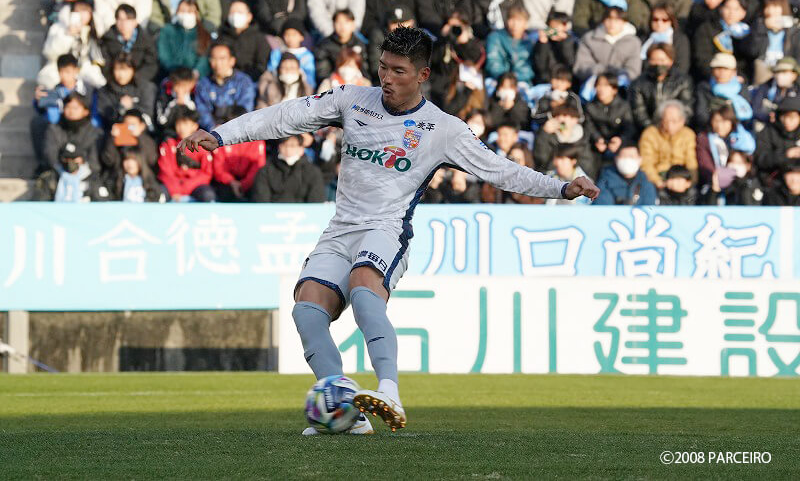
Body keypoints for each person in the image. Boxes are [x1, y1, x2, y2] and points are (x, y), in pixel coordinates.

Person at [178, 26, 599, 435]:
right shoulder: (351, 100)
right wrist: (221, 135)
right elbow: (285, 116)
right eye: (383, 67)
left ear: (422, 74)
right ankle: (343, 407)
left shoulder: (442, 129)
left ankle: (389, 392)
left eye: (399, 71)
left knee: (364, 289)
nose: (387, 78)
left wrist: (561, 188)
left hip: (386, 229)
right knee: (306, 309)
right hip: (341, 228)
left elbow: (500, 170)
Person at [38, 0, 106, 90]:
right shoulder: (58, 28)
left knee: (99, 82)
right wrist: (68, 35)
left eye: (85, 11)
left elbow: (96, 57)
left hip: (83, 67)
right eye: (78, 11)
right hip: (60, 66)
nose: (82, 15)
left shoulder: (93, 31)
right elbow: (50, 53)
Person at [629, 43, 694, 134]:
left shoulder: (683, 81)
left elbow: (686, 109)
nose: (658, 64)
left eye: (662, 60)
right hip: (650, 132)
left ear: (671, 61)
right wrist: (654, 131)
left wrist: (674, 125)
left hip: (677, 130)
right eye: (654, 60)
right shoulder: (638, 84)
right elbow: (639, 113)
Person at [573, 6, 642, 87]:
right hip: (593, 85)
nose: (612, 24)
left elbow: (634, 70)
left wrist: (616, 78)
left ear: (624, 22)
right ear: (603, 20)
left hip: (622, 86)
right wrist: (601, 72)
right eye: (609, 19)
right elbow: (581, 67)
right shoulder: (589, 38)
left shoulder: (633, 42)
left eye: (617, 20)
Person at [195, 42, 257, 132]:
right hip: (212, 131)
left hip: (238, 130)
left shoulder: (243, 81)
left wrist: (228, 128)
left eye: (222, 58)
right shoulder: (203, 84)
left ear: (232, 60)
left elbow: (245, 107)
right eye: (214, 58)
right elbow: (202, 110)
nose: (218, 63)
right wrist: (212, 127)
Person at [158, 106, 215, 201]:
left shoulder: (203, 146)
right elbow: (165, 171)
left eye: (185, 124)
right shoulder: (168, 145)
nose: (181, 128)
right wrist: (175, 190)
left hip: (195, 186)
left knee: (208, 195)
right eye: (179, 124)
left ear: (194, 126)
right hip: (172, 186)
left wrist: (185, 188)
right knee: (159, 194)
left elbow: (206, 173)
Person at [692, 0, 752, 82]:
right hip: (712, 78)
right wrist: (719, 76)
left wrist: (740, 77)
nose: (731, 13)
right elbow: (702, 58)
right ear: (721, 9)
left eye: (736, 9)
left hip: (738, 78)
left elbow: (747, 61)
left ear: (743, 13)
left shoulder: (747, 33)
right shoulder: (707, 29)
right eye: (728, 8)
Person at [639, 100, 698, 188]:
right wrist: (658, 182)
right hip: (658, 179)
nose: (670, 126)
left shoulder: (688, 134)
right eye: (666, 121)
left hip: (681, 177)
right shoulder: (650, 134)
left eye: (674, 121)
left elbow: (691, 162)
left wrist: (690, 183)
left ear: (682, 121)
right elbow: (646, 164)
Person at [249, 135, 326, 202]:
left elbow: (316, 201)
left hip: (302, 213)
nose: (288, 150)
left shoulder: (313, 172)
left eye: (292, 146)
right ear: (279, 147)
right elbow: (261, 200)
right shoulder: (266, 171)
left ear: (301, 149)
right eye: (284, 145)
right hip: (273, 212)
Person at [212, 107, 266, 201]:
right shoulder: (220, 139)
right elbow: (218, 168)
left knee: (259, 190)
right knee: (224, 193)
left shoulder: (256, 139)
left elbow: (258, 166)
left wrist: (244, 184)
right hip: (228, 182)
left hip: (249, 180)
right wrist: (231, 182)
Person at [696, 105, 756, 190]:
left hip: (741, 185)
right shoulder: (705, 139)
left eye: (724, 121)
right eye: (716, 121)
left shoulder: (740, 140)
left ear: (731, 122)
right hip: (715, 184)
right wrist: (716, 178)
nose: (719, 126)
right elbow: (705, 164)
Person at [746, 0, 800, 85]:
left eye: (775, 7)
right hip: (763, 69)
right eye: (768, 7)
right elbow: (752, 51)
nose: (771, 11)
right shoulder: (758, 25)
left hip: (785, 69)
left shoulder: (793, 31)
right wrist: (762, 28)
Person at [42, 92, 102, 175]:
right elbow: (50, 155)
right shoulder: (54, 129)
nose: (71, 111)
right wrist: (64, 162)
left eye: (75, 108)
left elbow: (95, 161)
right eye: (67, 107)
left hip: (87, 174)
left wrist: (82, 161)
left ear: (86, 111)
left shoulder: (94, 132)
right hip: (59, 172)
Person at [534, 101, 596, 178]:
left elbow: (588, 166)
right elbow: (541, 159)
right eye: (557, 116)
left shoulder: (583, 138)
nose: (560, 119)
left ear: (575, 119)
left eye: (565, 115)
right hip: (551, 177)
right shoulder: (548, 136)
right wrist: (544, 133)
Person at [583, 72, 634, 164]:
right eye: (598, 85)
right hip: (596, 147)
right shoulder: (589, 107)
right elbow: (589, 126)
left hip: (619, 145)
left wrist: (620, 140)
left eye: (606, 85)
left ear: (614, 89)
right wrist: (597, 139)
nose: (601, 89)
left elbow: (629, 128)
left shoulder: (623, 106)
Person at [99, 4, 158, 83]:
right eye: (120, 19)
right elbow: (105, 64)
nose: (123, 23)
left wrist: (134, 79)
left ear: (135, 22)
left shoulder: (146, 41)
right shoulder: (107, 40)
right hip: (113, 82)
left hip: (140, 83)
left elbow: (151, 65)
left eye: (128, 19)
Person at [96, 53, 157, 129]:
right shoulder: (105, 90)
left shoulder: (145, 87)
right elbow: (105, 116)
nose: (121, 74)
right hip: (115, 130)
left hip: (141, 131)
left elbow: (149, 115)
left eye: (125, 69)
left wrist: (132, 107)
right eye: (117, 69)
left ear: (133, 69)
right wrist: (119, 109)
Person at [214, 1, 269, 83]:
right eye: (232, 12)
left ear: (249, 16)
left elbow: (261, 66)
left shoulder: (259, 38)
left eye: (239, 12)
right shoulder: (222, 37)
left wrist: (245, 80)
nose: (235, 15)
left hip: (251, 81)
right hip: (224, 81)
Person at [695, 53, 753, 130]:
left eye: (726, 69)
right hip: (710, 130)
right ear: (712, 70)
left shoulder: (742, 89)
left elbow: (747, 117)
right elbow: (701, 115)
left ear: (734, 72)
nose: (721, 72)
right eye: (718, 68)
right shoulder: (704, 88)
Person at [156, 0, 211, 78]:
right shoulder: (167, 30)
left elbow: (204, 58)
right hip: (172, 75)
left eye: (189, 11)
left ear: (196, 13)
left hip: (197, 78)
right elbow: (164, 56)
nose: (185, 14)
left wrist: (196, 72)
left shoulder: (204, 33)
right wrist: (177, 72)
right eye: (182, 11)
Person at [485, 6, 535, 86]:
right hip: (499, 80)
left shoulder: (530, 41)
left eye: (519, 20)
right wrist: (506, 79)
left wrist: (515, 77)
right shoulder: (495, 37)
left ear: (526, 24)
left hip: (522, 82)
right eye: (511, 19)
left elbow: (530, 68)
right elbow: (493, 63)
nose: (515, 24)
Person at [755, 95, 800, 184]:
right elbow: (761, 159)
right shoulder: (769, 132)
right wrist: (786, 154)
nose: (787, 121)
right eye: (784, 117)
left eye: (792, 117)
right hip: (774, 182)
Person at [315, 9, 368, 82]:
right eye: (339, 22)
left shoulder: (360, 44)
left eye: (346, 22)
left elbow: (365, 70)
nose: (342, 26)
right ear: (333, 24)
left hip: (356, 82)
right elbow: (322, 73)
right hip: (333, 83)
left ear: (353, 25)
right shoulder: (324, 46)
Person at [100, 108, 159, 174]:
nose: (129, 128)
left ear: (142, 126)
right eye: (126, 124)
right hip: (121, 176)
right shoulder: (117, 141)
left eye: (132, 125)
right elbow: (108, 160)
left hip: (142, 177)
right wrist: (112, 139)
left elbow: (152, 159)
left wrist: (140, 137)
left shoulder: (148, 141)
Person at [639, 3, 691, 76]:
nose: (659, 23)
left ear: (671, 21)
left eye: (664, 20)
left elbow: (682, 66)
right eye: (655, 19)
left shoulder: (680, 40)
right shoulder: (644, 39)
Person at [751, 57, 800, 131]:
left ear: (794, 75)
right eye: (777, 72)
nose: (779, 76)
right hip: (768, 126)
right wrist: (767, 117)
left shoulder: (797, 90)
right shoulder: (765, 87)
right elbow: (755, 109)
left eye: (784, 72)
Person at [267, 18, 317, 88]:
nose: (290, 38)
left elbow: (310, 79)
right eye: (287, 34)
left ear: (301, 37)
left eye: (294, 34)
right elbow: (271, 71)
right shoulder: (277, 53)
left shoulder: (307, 56)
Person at [533, 12, 578, 84]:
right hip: (547, 81)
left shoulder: (572, 41)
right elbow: (540, 67)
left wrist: (564, 42)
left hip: (567, 81)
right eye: (551, 27)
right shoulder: (543, 42)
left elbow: (571, 63)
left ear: (565, 26)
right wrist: (543, 44)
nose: (553, 30)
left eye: (556, 26)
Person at [155, 66, 197, 139]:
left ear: (191, 84)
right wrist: (174, 105)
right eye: (178, 86)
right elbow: (162, 122)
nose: (181, 89)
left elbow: (198, 118)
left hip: (191, 133)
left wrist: (187, 103)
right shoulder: (165, 97)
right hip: (170, 134)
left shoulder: (195, 96)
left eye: (184, 86)